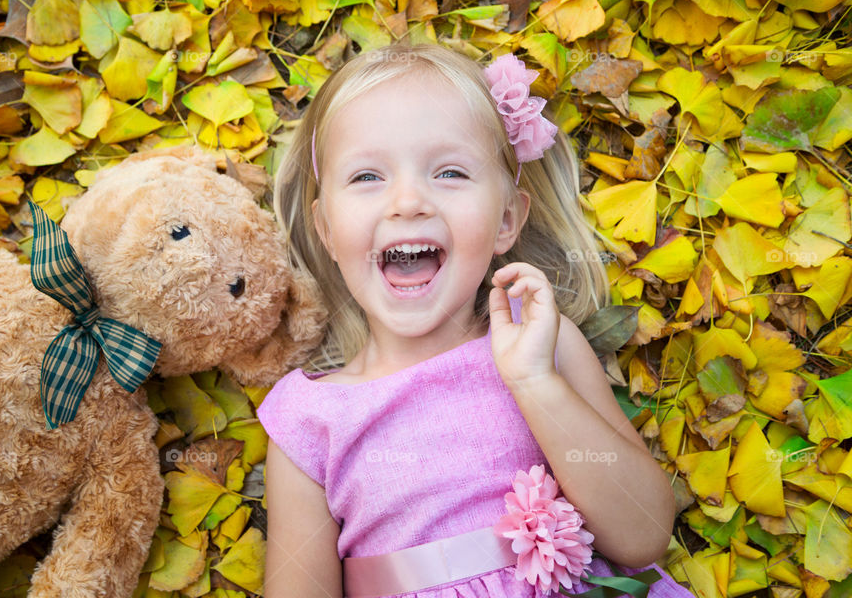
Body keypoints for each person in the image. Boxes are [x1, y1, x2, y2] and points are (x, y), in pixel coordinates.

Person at [256, 42, 694, 597]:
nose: (408, 201)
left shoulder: (542, 343)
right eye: (367, 177)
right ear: (326, 231)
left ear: (506, 219)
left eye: (450, 172)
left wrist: (536, 384)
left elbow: (643, 533)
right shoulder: (308, 418)